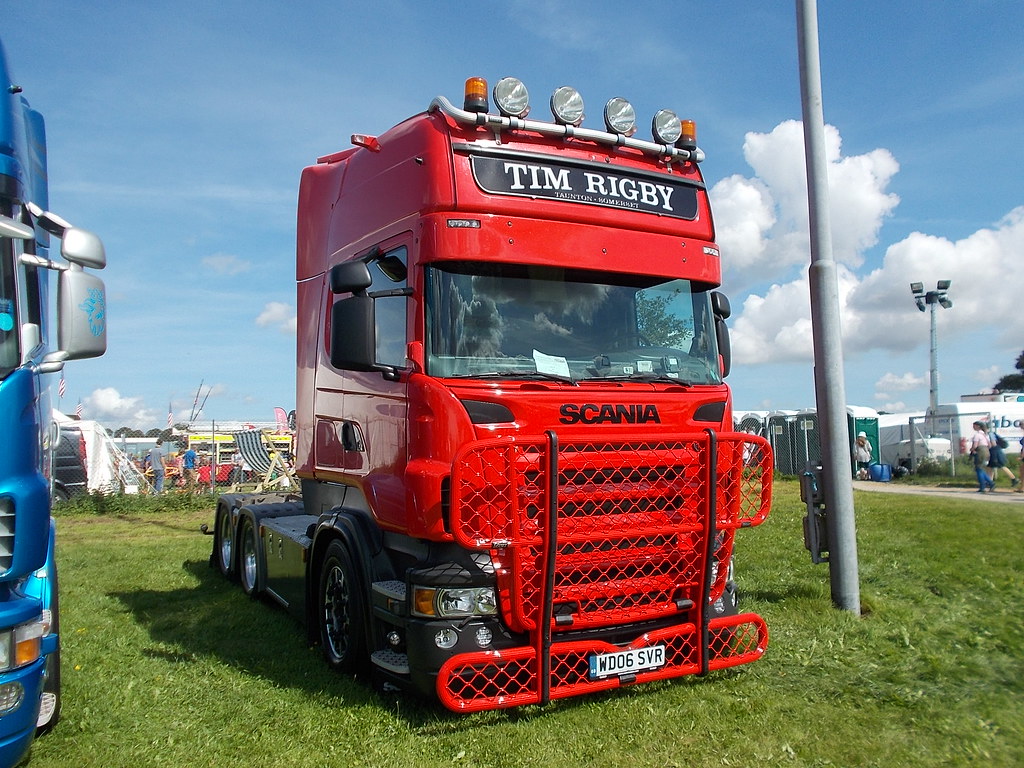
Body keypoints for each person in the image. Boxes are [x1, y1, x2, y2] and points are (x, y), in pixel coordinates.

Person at [968, 421, 995, 493]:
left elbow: (975, 445)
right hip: (986, 452)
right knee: (981, 469)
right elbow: (989, 445)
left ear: (978, 426)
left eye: (974, 426)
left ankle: (983, 486)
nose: (973, 427)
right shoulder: (985, 435)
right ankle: (990, 483)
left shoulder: (977, 435)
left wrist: (972, 450)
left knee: (978, 469)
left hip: (980, 452)